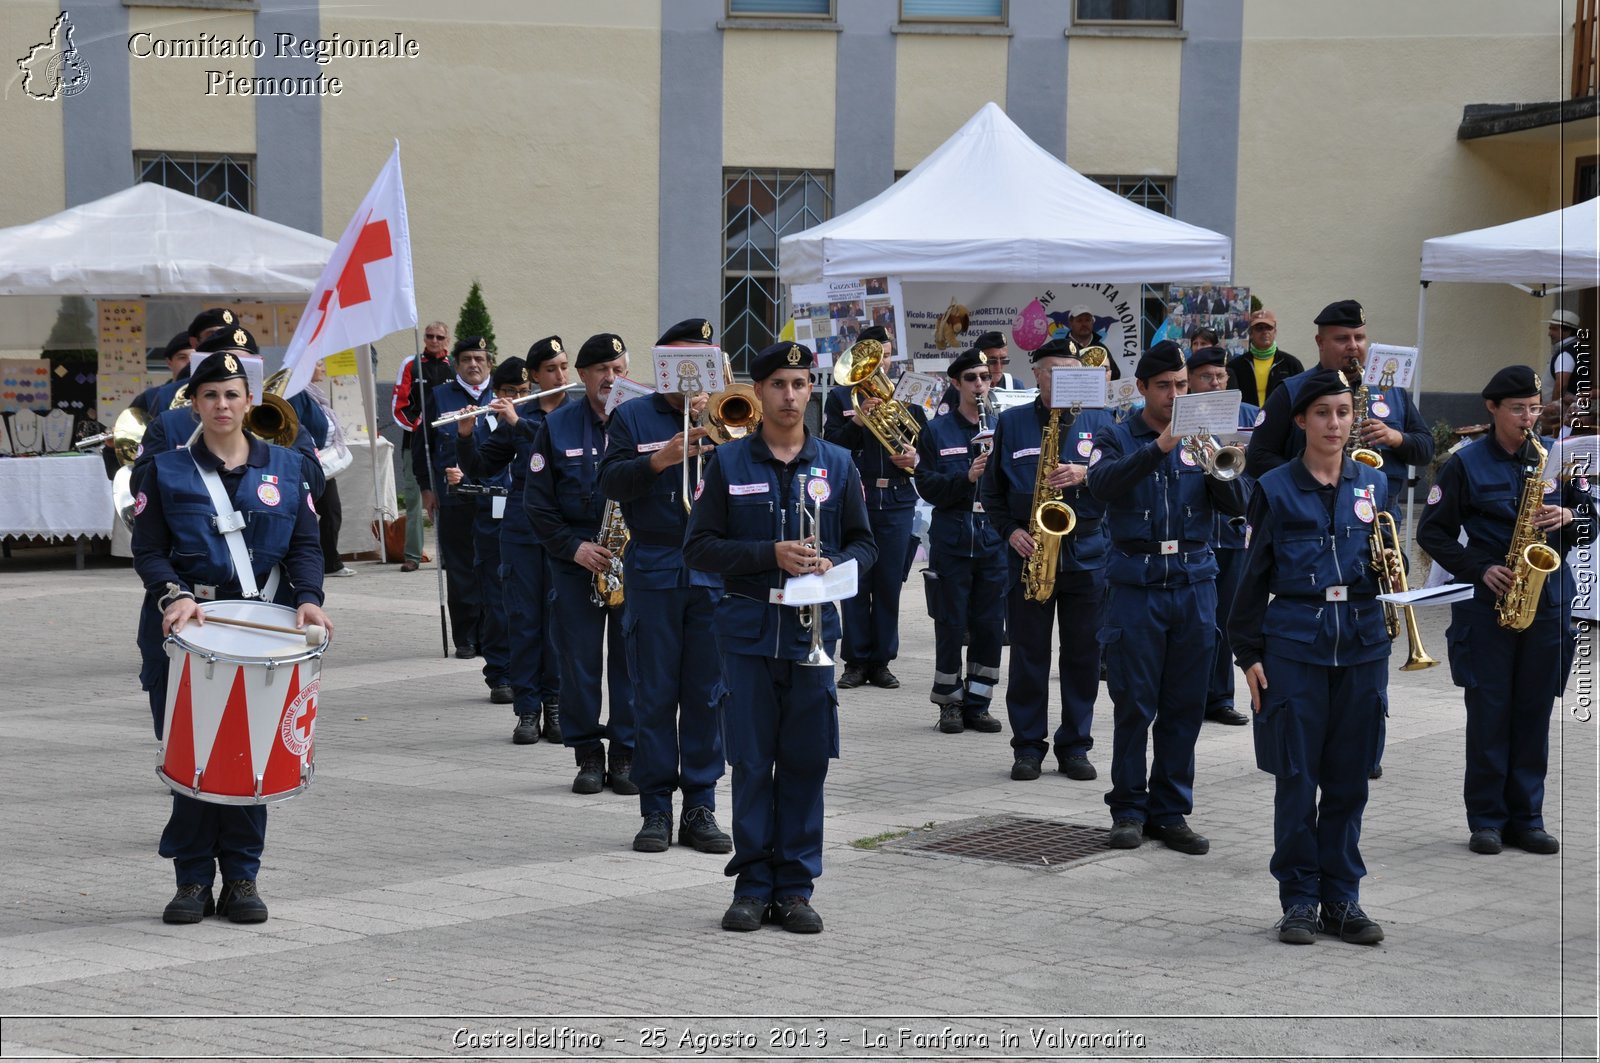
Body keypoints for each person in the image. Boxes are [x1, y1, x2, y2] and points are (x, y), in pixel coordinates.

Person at [131, 350, 331, 925]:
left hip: (264, 626)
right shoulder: (165, 469)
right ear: (194, 403)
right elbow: (148, 551)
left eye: (232, 394)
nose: (222, 405)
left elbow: (305, 546)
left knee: (253, 754)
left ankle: (242, 876)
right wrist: (175, 593)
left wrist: (311, 599)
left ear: (250, 402)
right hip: (185, 627)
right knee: (193, 753)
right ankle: (192, 879)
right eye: (210, 395)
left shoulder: (287, 469)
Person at [684, 341, 877, 934]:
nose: (789, 395)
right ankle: (752, 883)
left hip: (813, 632)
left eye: (798, 383)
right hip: (747, 630)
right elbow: (699, 548)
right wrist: (768, 554)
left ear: (811, 390)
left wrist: (833, 568)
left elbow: (866, 545)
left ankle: (794, 887)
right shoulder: (730, 462)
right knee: (749, 760)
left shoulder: (838, 463)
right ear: (759, 392)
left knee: (804, 762)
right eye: (777, 384)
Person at [1230, 368, 1391, 946]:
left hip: (1364, 646)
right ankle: (1298, 899)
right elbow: (1250, 581)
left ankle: (1342, 898)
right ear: (1300, 421)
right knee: (1297, 779)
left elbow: (1384, 562)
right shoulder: (1273, 488)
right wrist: (1248, 653)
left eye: (1344, 413)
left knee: (1350, 780)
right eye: (1322, 413)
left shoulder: (1373, 486)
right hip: (1294, 646)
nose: (1334, 424)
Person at [1416, 365, 1591, 857]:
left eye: (1535, 409)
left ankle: (1527, 818)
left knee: (1535, 712)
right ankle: (1487, 820)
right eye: (1518, 409)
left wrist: (1570, 515)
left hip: (1550, 601)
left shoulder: (1553, 459)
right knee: (1491, 712)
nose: (1528, 418)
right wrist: (1479, 568)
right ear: (1492, 409)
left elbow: (1591, 526)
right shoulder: (1465, 464)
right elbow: (1432, 532)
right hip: (1489, 605)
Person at [1087, 341, 1248, 856]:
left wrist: (1214, 465)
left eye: (1182, 385)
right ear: (1141, 389)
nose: (1177, 395)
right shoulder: (1115, 435)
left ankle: (1171, 810)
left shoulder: (1205, 437)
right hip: (1136, 587)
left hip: (1194, 583)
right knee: (1134, 704)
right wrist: (1160, 447)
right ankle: (1129, 810)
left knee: (1184, 705)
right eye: (1165, 387)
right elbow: (1102, 487)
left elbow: (1239, 505)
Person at [598, 317, 733, 854]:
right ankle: (655, 807)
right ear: (666, 365)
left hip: (714, 570)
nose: (692, 371)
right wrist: (660, 458)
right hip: (655, 566)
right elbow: (607, 481)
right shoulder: (632, 416)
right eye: (684, 360)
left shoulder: (730, 417)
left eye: (704, 361)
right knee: (652, 693)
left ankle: (700, 805)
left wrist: (717, 424)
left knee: (707, 693)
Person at [978, 336, 1115, 782]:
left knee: (1082, 658)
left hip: (1086, 557)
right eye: (1052, 371)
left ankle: (1075, 746)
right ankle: (1028, 748)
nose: (1061, 379)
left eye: (1070, 371)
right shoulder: (1013, 422)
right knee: (1029, 656)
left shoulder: (1103, 420)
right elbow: (992, 493)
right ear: (1035, 374)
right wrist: (1011, 531)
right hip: (1030, 556)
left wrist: (1087, 474)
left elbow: (1126, 484)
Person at [525, 333, 637, 795]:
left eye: (618, 369)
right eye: (600, 371)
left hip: (634, 562)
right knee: (579, 664)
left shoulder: (645, 421)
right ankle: (588, 753)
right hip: (578, 563)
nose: (610, 379)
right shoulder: (557, 426)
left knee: (632, 662)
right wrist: (574, 548)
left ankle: (627, 754)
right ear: (583, 376)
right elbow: (537, 504)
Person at [456, 337, 570, 744]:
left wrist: (517, 423)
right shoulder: (521, 412)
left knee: (557, 622)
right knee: (522, 619)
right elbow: (482, 467)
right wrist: (467, 435)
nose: (560, 375)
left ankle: (556, 704)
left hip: (565, 530)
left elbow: (555, 449)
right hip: (521, 529)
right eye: (551, 370)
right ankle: (527, 709)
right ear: (535, 376)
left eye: (564, 367)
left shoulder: (575, 416)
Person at [1246, 301, 1433, 525]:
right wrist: (1310, 480)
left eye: (1359, 337)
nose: (1353, 346)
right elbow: (1258, 457)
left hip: (1380, 516)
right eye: (1342, 339)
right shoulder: (1291, 392)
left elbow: (1426, 449)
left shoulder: (1391, 390)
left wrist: (1397, 438)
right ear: (1320, 342)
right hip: (1310, 514)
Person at [914, 347, 1005, 735]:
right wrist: (965, 479)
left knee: (989, 624)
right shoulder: (937, 430)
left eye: (985, 377)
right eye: (971, 378)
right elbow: (927, 485)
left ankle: (979, 701)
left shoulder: (1003, 426)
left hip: (994, 536)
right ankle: (948, 700)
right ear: (956, 383)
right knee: (950, 622)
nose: (980, 384)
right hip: (953, 534)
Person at [824, 325, 921, 690]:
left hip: (896, 498)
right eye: (876, 354)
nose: (883, 361)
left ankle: (881, 661)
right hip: (856, 497)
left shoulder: (907, 394)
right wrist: (860, 422)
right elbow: (831, 444)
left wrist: (916, 456)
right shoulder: (839, 397)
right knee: (854, 581)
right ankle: (854, 660)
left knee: (888, 582)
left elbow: (923, 439)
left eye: (888, 353)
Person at [1186, 345, 1257, 726]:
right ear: (1192, 382)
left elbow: (1263, 469)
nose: (1216, 382)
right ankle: (1190, 695)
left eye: (1221, 376)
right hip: (1195, 533)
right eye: (1207, 377)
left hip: (1234, 534)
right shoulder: (1181, 416)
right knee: (1197, 623)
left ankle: (1220, 697)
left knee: (1228, 617)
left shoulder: (1249, 416)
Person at [451, 356, 528, 703]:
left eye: (525, 391)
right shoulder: (482, 426)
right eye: (510, 391)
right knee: (497, 603)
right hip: (491, 521)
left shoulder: (532, 424)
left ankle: (528, 671)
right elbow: (476, 469)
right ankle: (499, 673)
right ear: (496, 392)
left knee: (526, 602)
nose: (516, 397)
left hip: (526, 521)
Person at [414, 336, 494, 661]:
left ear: (489, 363)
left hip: (494, 498)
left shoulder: (502, 396)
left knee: (493, 567)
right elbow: (422, 445)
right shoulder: (439, 396)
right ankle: (465, 637)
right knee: (461, 569)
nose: (473, 364)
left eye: (479, 358)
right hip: (453, 499)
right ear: (456, 364)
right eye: (466, 359)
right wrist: (426, 487)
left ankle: (492, 635)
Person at [392, 322, 455, 572]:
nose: (434, 340)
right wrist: (419, 426)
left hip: (447, 445)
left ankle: (449, 554)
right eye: (429, 336)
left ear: (447, 339)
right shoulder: (411, 364)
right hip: (414, 443)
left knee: (449, 498)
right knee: (414, 499)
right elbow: (399, 406)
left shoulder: (454, 367)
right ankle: (412, 555)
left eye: (439, 337)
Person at [303, 360, 354, 578]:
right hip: (308, 464)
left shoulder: (313, 393)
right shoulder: (299, 394)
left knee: (331, 512)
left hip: (323, 465)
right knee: (312, 515)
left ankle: (330, 562)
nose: (323, 368)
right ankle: (314, 564)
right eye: (319, 364)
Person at [134, 308, 238, 415]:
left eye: (229, 334)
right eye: (211, 334)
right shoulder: (167, 394)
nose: (222, 340)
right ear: (195, 342)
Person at [1226, 309, 1304, 408]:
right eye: (1259, 328)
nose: (1265, 332)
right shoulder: (1235, 366)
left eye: (1269, 328)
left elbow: (1301, 399)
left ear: (1275, 332)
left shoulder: (1291, 364)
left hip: (1280, 422)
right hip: (1247, 422)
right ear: (1251, 333)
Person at [129, 331, 195, 416]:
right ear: (169, 363)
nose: (189, 362)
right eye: (182, 357)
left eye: (194, 357)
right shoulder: (149, 397)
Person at [1546, 309, 1584, 400]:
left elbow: (1561, 386)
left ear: (1567, 331)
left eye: (1554, 329)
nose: (1549, 333)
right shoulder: (1574, 349)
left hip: (1561, 411)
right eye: (1550, 328)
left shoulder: (1566, 353)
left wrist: (1554, 409)